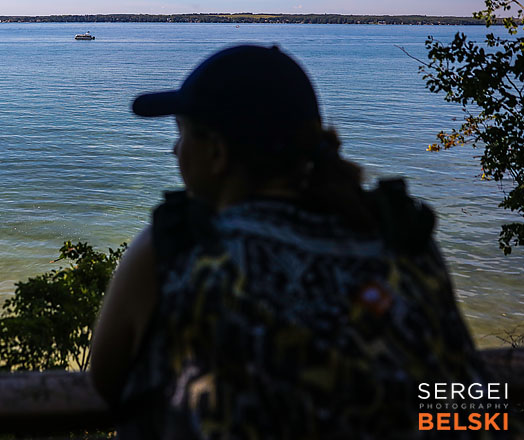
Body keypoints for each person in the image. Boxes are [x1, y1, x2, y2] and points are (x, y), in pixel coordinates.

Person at [90, 45, 491, 438]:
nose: (174, 149)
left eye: (181, 135)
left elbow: (107, 382)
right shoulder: (402, 235)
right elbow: (462, 384)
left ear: (216, 153)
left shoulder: (176, 249)